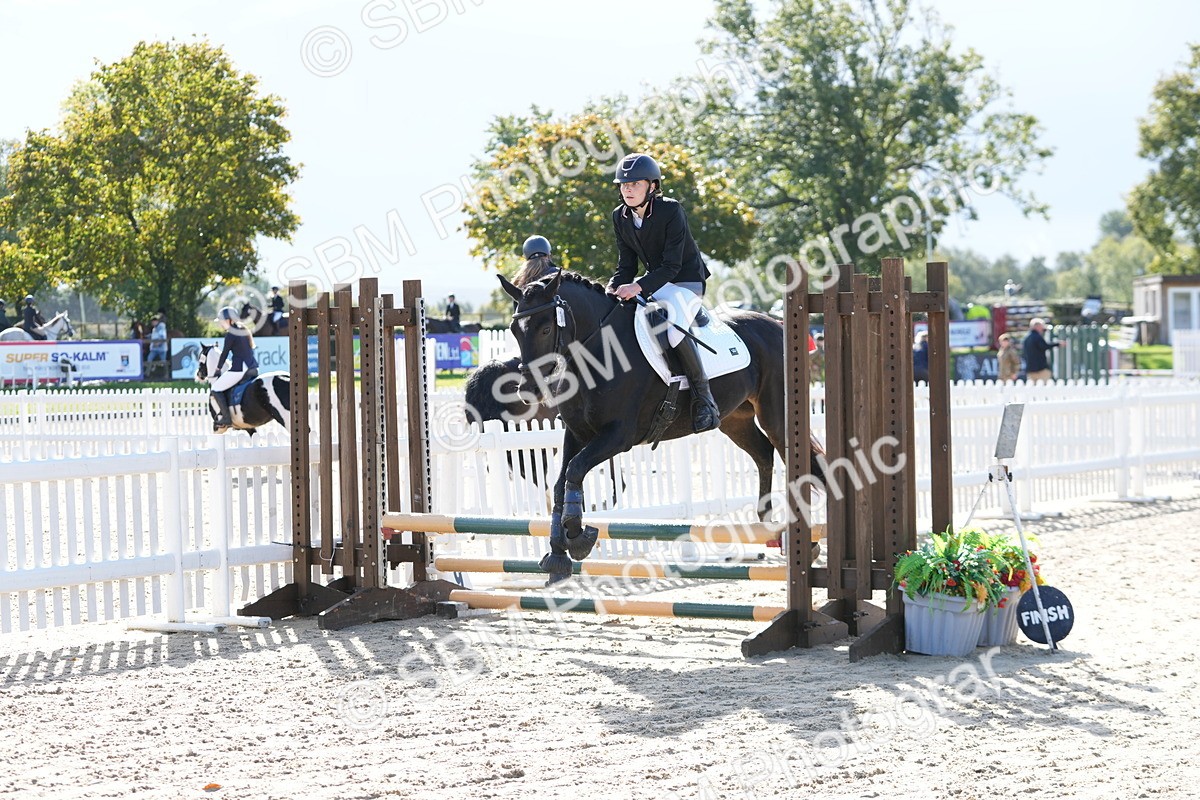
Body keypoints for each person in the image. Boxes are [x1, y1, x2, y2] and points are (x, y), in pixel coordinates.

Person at [606, 152, 718, 432]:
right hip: (656, 282)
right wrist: (612, 287)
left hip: (685, 282)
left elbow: (672, 265)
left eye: (635, 184)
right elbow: (626, 264)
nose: (628, 189)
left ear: (652, 186)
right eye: (624, 185)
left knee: (672, 329)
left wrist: (638, 286)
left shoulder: (671, 210)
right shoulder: (620, 217)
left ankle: (704, 400)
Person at [209, 307, 259, 432]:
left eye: (222, 321)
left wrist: (218, 369)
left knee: (215, 389)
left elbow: (224, 353)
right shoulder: (242, 330)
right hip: (252, 367)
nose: (220, 323)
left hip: (240, 369)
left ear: (229, 320)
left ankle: (226, 418)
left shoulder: (231, 333)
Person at [1022, 317, 1060, 383]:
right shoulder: (1037, 337)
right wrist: (1057, 344)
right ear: (1037, 326)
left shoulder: (1026, 338)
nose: (1043, 329)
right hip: (1040, 369)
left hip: (1030, 369)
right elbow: (1044, 346)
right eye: (1042, 326)